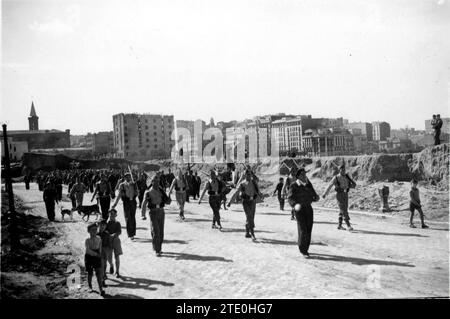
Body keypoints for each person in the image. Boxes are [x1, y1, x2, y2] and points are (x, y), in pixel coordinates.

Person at [288, 168, 320, 258]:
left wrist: (316, 198)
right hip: (299, 210)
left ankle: (306, 248)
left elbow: (314, 194)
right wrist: (294, 205)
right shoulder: (294, 185)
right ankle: (303, 250)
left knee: (309, 229)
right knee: (303, 229)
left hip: (309, 208)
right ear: (298, 176)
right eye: (302, 174)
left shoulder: (308, 184)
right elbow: (290, 198)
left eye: (305, 174)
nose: (304, 176)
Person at [228, 169, 262, 239]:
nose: (249, 176)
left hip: (253, 201)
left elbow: (258, 191)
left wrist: (261, 195)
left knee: (251, 217)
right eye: (247, 174)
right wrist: (230, 202)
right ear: (244, 175)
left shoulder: (254, 182)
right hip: (245, 202)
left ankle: (247, 232)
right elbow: (236, 193)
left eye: (250, 174)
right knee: (249, 216)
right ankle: (252, 233)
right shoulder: (242, 184)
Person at [141, 175, 170, 256]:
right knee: (155, 231)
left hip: (161, 211)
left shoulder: (161, 190)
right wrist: (143, 215)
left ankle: (158, 247)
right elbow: (144, 203)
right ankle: (157, 250)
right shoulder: (148, 192)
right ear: (152, 182)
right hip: (153, 212)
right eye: (155, 181)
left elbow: (167, 201)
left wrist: (169, 199)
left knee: (161, 232)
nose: (157, 183)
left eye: (158, 181)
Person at [322, 164, 356, 231]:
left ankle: (339, 225)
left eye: (344, 169)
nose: (343, 171)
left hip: (345, 194)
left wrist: (351, 184)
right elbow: (330, 185)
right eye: (342, 169)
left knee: (343, 209)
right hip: (339, 195)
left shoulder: (347, 176)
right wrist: (325, 193)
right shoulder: (336, 177)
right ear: (339, 170)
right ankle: (348, 225)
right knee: (344, 210)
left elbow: (352, 185)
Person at [112, 173, 138, 240]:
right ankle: (130, 234)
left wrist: (135, 186)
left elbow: (137, 193)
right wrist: (115, 204)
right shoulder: (122, 185)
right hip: (126, 202)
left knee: (133, 217)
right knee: (128, 218)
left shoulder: (133, 184)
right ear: (124, 178)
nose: (128, 178)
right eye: (127, 177)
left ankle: (133, 232)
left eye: (129, 176)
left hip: (133, 202)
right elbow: (119, 195)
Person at [84, 223, 105, 296]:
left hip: (97, 257)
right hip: (89, 257)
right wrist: (96, 254)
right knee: (90, 273)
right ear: (88, 231)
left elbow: (100, 248)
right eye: (92, 230)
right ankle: (90, 286)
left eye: (96, 229)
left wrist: (100, 255)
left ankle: (101, 289)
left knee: (98, 273)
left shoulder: (99, 239)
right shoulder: (87, 240)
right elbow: (88, 250)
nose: (95, 231)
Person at [106, 209, 123, 278]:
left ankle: (117, 271)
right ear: (108, 215)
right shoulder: (106, 223)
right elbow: (104, 231)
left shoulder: (117, 223)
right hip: (109, 241)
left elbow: (119, 232)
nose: (112, 215)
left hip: (116, 241)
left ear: (116, 215)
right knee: (109, 257)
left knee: (117, 257)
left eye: (113, 214)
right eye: (110, 214)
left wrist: (115, 234)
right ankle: (111, 265)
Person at [97, 220, 111, 287]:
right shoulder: (96, 234)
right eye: (101, 225)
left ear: (106, 226)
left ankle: (103, 280)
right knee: (100, 268)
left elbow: (109, 244)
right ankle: (101, 281)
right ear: (98, 225)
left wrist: (108, 251)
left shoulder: (107, 234)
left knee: (104, 266)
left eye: (104, 225)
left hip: (105, 252)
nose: (102, 226)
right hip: (98, 254)